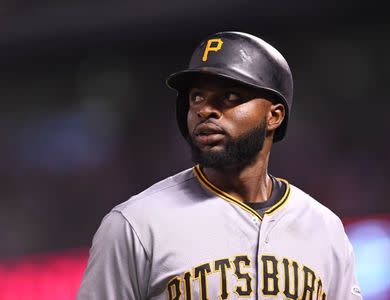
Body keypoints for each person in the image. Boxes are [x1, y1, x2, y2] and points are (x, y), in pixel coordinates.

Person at [77, 31, 362, 300]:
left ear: (274, 116)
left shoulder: (324, 230)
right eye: (196, 97)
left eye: (230, 97)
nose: (205, 109)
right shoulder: (136, 225)